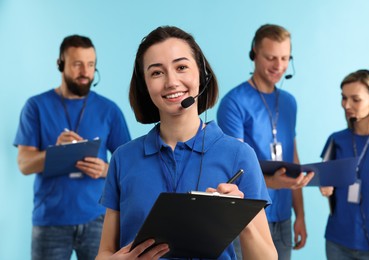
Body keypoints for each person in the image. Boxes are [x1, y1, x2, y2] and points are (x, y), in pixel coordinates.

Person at [96, 26, 277, 260]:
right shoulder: (123, 158)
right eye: (156, 73)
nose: (171, 82)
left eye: (181, 67)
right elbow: (104, 253)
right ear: (145, 85)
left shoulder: (239, 155)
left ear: (202, 73)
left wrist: (240, 217)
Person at [14, 35, 131, 260]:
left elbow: (127, 166)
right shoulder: (35, 107)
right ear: (61, 64)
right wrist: (54, 153)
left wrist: (106, 170)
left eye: (90, 65)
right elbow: (24, 164)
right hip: (50, 222)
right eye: (77, 64)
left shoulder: (109, 110)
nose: (85, 72)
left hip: (98, 220)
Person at [217, 24, 314, 260]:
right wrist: (274, 183)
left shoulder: (289, 103)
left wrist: (299, 215)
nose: (279, 66)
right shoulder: (234, 103)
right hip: (248, 219)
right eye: (271, 57)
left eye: (284, 58)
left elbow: (294, 160)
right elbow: (234, 170)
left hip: (283, 219)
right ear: (254, 54)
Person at [319, 69, 369, 259]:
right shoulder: (337, 140)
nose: (346, 105)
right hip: (338, 242)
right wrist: (324, 185)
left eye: (355, 99)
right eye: (344, 98)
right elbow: (325, 179)